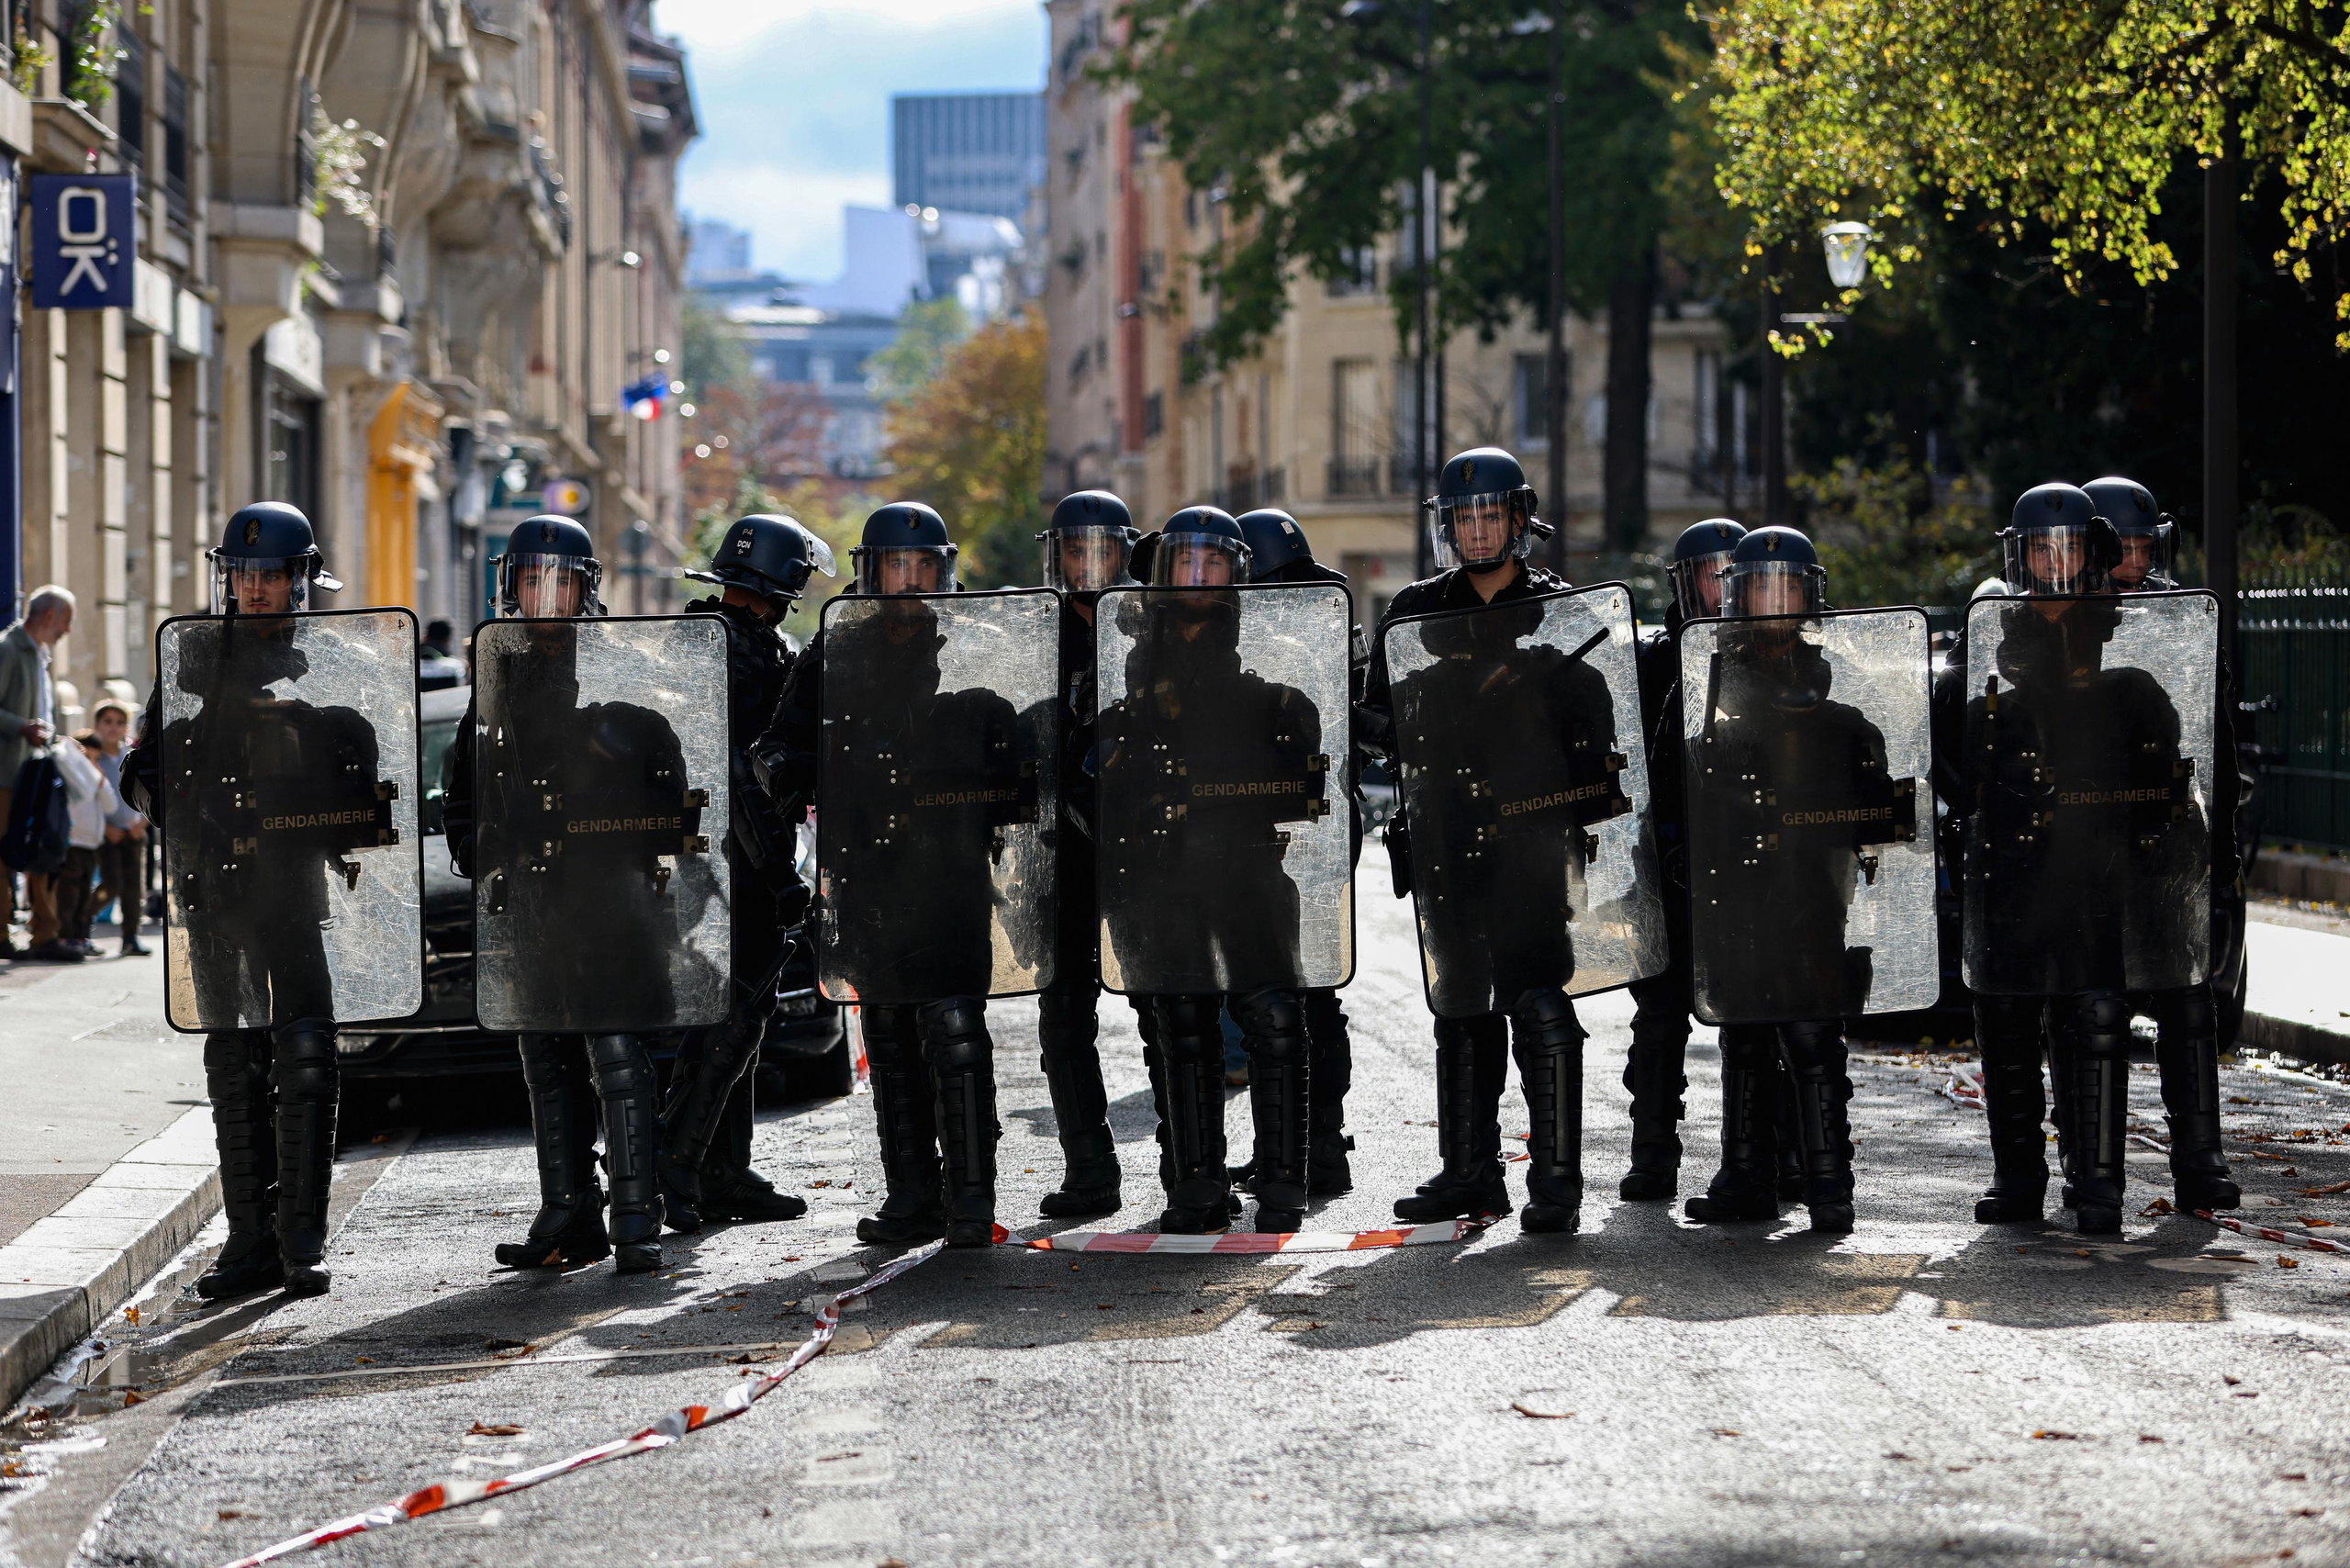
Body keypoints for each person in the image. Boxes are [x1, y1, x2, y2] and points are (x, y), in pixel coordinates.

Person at [765, 502, 1036, 1248]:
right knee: (886, 1037)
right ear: (870, 572)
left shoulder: (978, 646)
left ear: (943, 571)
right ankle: (911, 1195)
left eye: (923, 568)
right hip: (868, 877)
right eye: (896, 567)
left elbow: (1020, 751)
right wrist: (798, 780)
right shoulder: (833, 652)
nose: (910, 582)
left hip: (952, 874)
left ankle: (972, 1200)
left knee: (954, 1029)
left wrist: (1006, 787)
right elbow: (778, 748)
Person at [1955, 482, 2212, 1235]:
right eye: (2042, 549)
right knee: (2004, 1014)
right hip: (2014, 875)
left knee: (2094, 1012)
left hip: (2098, 871)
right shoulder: (1993, 642)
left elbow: (2163, 782)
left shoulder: (2129, 666)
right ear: (2020, 554)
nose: (2056, 565)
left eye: (2071, 550)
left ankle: (2096, 1181)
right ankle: (2018, 1176)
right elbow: (1958, 772)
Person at [122, 502, 358, 1298]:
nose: (255, 589)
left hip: (293, 889)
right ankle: (248, 1244)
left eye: (270, 575)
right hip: (214, 890)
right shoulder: (192, 661)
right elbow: (142, 764)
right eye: (244, 575)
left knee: (305, 1054)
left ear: (299, 580)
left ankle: (302, 1243)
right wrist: (171, 800)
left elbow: (366, 780)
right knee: (232, 1060)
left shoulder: (331, 660)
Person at [1360, 446, 1587, 1234]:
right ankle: (1469, 1171)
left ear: (1520, 520)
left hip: (1533, 840)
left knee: (1539, 1001)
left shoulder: (1562, 613)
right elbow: (1378, 715)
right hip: (1449, 836)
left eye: (1492, 513)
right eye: (1466, 516)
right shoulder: (1416, 610)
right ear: (1448, 525)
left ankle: (1556, 1179)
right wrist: (1439, 706)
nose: (1479, 528)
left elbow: (1596, 722)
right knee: (1460, 1007)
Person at [441, 515, 676, 1273]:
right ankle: (569, 1213)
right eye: (533, 581)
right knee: (543, 1051)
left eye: (562, 581)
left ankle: (638, 1215)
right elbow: (466, 775)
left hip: (609, 895)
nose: (547, 597)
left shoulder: (617, 665)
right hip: (535, 900)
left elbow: (665, 771)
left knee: (615, 1046)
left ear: (586, 589)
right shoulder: (495, 669)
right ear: (510, 587)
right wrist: (476, 850)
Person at [1095, 506, 1332, 1233]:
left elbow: (1314, 780)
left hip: (1252, 865)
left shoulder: (1276, 679)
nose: (1198, 577)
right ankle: (1194, 1186)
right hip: (1163, 870)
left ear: (1239, 577)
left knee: (1274, 1015)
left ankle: (1284, 1184)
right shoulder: (1127, 669)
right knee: (1181, 1017)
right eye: (1183, 563)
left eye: (1214, 563)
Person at [1677, 527, 1897, 1235]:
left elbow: (1877, 801)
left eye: (1788, 588)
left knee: (1810, 1032)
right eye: (1760, 588)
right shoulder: (1704, 681)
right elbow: (1673, 784)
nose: (1774, 602)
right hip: (1734, 890)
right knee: (1741, 1029)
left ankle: (1830, 1182)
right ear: (1737, 598)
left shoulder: (1842, 697)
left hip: (1811, 891)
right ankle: (1746, 1175)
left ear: (1811, 597)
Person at [658, 512, 834, 1232]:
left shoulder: (718, 639)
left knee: (736, 1012)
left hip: (710, 858)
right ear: (783, 579)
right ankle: (676, 1161)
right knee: (733, 1014)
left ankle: (720, 1171)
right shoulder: (736, 651)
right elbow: (733, 774)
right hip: (735, 858)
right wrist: (780, 873)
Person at [1231, 507, 1360, 1194]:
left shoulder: (1301, 646)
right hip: (1261, 836)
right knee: (1271, 1000)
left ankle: (1318, 1146)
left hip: (1310, 835)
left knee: (1308, 998)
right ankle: (1283, 1143)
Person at [1023, 489, 1143, 1220]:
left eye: (1102, 549)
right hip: (1061, 857)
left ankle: (1194, 1172)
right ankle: (1090, 1171)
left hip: (1144, 855)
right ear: (1057, 556)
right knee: (1064, 1021)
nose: (1089, 564)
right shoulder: (1033, 635)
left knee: (1172, 1014)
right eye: (1076, 550)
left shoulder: (1152, 628)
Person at [1618, 519, 1745, 1203]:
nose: (1723, 586)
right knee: (1659, 1020)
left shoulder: (1779, 650)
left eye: (1735, 570)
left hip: (1752, 873)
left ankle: (1757, 1158)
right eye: (1710, 571)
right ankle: (1652, 1153)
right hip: (1669, 869)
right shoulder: (1652, 659)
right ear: (1685, 579)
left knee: (1751, 1021)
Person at [0, 587, 78, 960]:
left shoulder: (39, 653)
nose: (67, 631)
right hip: (9, 773)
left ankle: (45, 934)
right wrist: (21, 727)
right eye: (66, 622)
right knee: (7, 850)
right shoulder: (9, 649)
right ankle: (2, 934)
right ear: (49, 617)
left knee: (47, 847)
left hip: (38, 771)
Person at [52, 730, 121, 956]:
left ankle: (82, 936)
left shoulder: (96, 781)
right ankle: (66, 936)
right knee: (68, 895)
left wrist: (100, 780)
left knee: (84, 894)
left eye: (95, 760)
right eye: (85, 760)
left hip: (91, 845)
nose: (91, 765)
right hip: (72, 844)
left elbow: (111, 806)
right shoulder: (70, 777)